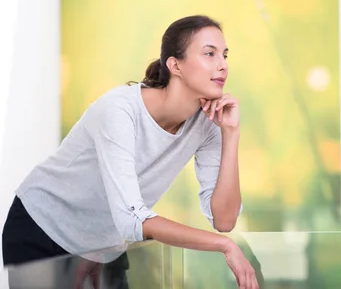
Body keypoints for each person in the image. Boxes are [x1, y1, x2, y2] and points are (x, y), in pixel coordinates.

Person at [2, 15, 259, 289]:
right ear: (175, 65)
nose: (223, 65)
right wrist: (224, 246)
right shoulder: (119, 110)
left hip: (103, 245)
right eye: (210, 53)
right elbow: (130, 218)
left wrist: (230, 134)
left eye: (225, 55)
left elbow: (224, 219)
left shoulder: (209, 124)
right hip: (43, 227)